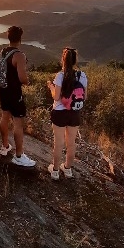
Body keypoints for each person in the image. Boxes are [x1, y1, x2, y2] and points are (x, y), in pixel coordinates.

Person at [46, 47, 87, 180]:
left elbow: (56, 97)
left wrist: (51, 87)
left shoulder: (60, 75)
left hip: (59, 112)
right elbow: (84, 97)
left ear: (63, 60)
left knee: (58, 143)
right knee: (71, 143)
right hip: (74, 113)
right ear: (75, 60)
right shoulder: (82, 75)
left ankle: (55, 171)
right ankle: (68, 169)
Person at [0, 26, 36, 167]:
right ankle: (19, 156)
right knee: (18, 123)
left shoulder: (3, 51)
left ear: (8, 37)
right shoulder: (19, 55)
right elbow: (22, 78)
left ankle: (5, 146)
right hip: (14, 93)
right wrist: (27, 81)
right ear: (20, 38)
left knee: (4, 116)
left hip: (2, 89)